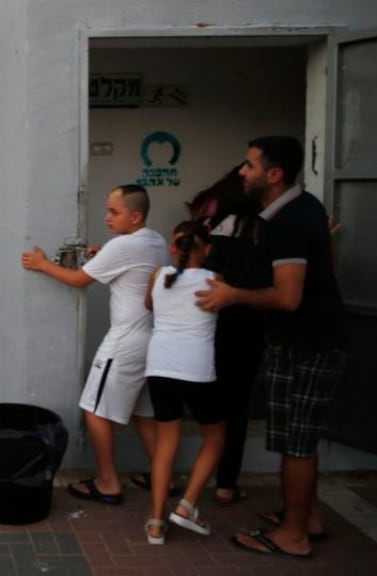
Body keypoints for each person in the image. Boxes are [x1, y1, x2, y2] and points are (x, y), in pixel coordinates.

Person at [197, 136, 348, 560]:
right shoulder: (302, 209)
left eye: (249, 165)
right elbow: (325, 267)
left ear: (274, 174)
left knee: (297, 442)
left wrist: (232, 296)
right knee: (292, 439)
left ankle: (293, 535)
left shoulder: (290, 221)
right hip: (295, 342)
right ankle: (307, 516)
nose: (242, 172)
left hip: (309, 345)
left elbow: (287, 298)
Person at [22, 184, 168, 505]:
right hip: (153, 339)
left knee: (94, 409)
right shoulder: (156, 241)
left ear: (136, 216)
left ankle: (108, 481)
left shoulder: (123, 246)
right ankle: (163, 476)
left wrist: (42, 263)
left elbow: (79, 280)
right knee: (144, 413)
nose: (107, 217)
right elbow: (132, 265)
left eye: (114, 212)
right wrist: (105, 254)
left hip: (126, 341)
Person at [188, 166, 270, 507]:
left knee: (210, 404)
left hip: (211, 323)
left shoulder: (216, 230)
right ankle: (225, 484)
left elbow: (206, 277)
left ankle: (190, 480)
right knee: (237, 406)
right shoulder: (263, 229)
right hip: (250, 324)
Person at [143, 221, 225, 544]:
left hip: (159, 366)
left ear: (173, 248)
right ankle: (188, 505)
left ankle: (155, 523)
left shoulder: (157, 277)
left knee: (166, 445)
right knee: (216, 437)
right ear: (208, 249)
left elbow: (149, 306)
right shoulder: (215, 281)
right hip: (197, 369)